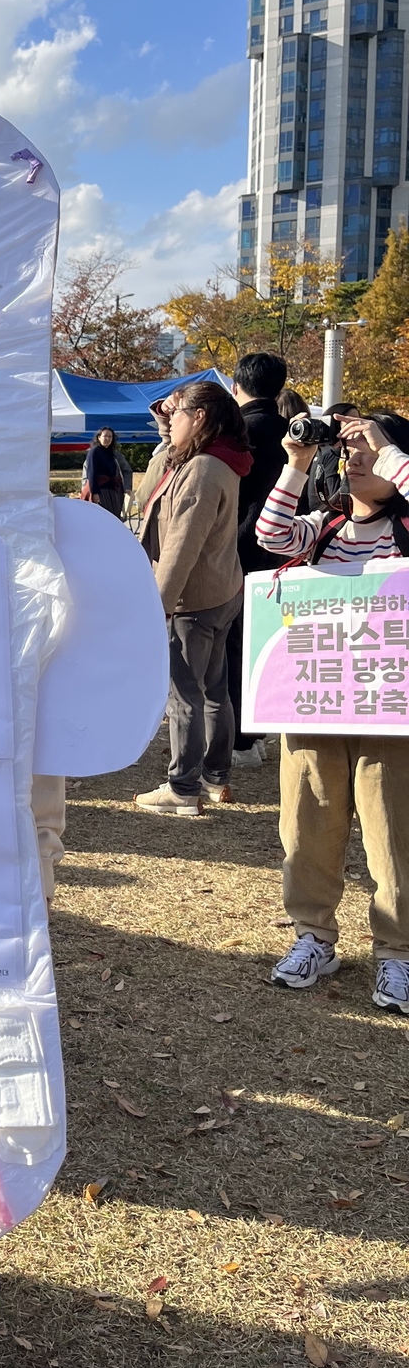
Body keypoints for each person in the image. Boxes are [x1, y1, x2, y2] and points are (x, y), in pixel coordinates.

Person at [256, 410, 409, 1014]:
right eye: (349, 451)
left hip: (390, 711)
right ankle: (313, 936)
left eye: (368, 450)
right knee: (307, 820)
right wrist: (296, 459)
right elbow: (269, 536)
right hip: (315, 701)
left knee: (393, 828)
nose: (357, 458)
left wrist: (385, 445)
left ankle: (397, 952)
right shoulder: (325, 528)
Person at [134, 381, 252, 815]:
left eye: (178, 413)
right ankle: (215, 778)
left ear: (199, 418)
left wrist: (157, 606)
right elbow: (149, 493)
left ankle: (183, 787)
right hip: (220, 590)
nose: (171, 420)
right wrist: (167, 426)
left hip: (192, 599)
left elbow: (182, 545)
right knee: (214, 689)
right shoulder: (217, 459)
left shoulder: (202, 468)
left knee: (185, 694)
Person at [227, 353, 289, 770]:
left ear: (237, 387)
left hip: (239, 550)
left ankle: (241, 741)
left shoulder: (237, 432)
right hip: (286, 552)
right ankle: (260, 732)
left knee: (236, 646)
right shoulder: (293, 432)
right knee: (269, 645)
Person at [84, 426, 126, 517]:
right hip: (101, 491)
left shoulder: (111, 453)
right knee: (104, 516)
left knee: (114, 515)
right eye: (105, 436)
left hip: (112, 490)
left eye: (110, 437)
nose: (107, 439)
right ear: (99, 437)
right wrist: (95, 493)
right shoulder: (94, 451)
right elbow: (91, 474)